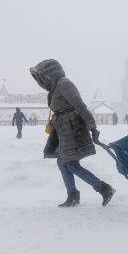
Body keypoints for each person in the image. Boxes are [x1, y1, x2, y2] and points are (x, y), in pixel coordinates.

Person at [30, 59, 115, 208]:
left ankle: (103, 188)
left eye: (43, 77)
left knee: (71, 164)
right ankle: (73, 195)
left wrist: (92, 126)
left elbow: (80, 105)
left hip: (73, 129)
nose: (42, 81)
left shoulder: (64, 84)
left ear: (50, 74)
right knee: (63, 162)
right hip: (64, 130)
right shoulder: (55, 87)